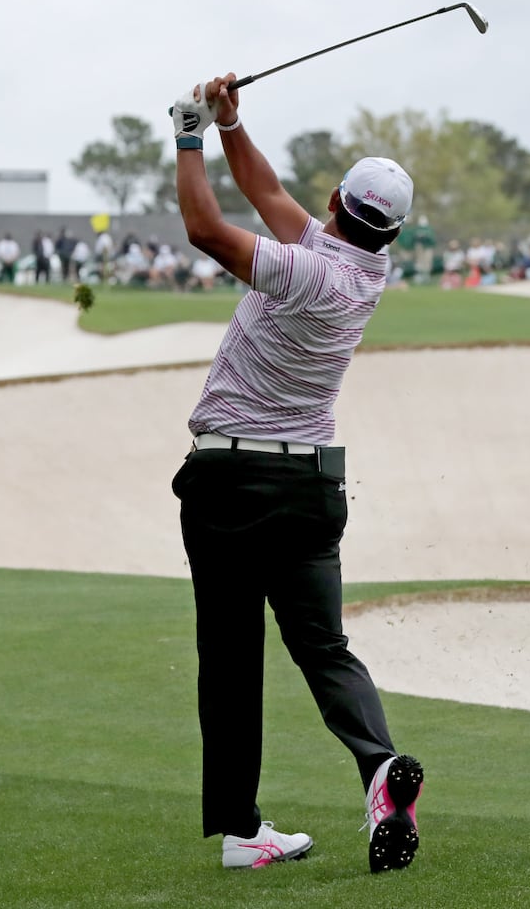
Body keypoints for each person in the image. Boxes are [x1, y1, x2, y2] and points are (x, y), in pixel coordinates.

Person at [166, 73, 424, 874]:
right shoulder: (359, 272)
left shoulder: (310, 272)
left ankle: (244, 833)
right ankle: (379, 767)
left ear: (339, 204)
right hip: (310, 487)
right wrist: (231, 126)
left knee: (234, 658)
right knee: (324, 646)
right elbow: (264, 188)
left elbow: (208, 228)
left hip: (231, 483)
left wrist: (186, 134)